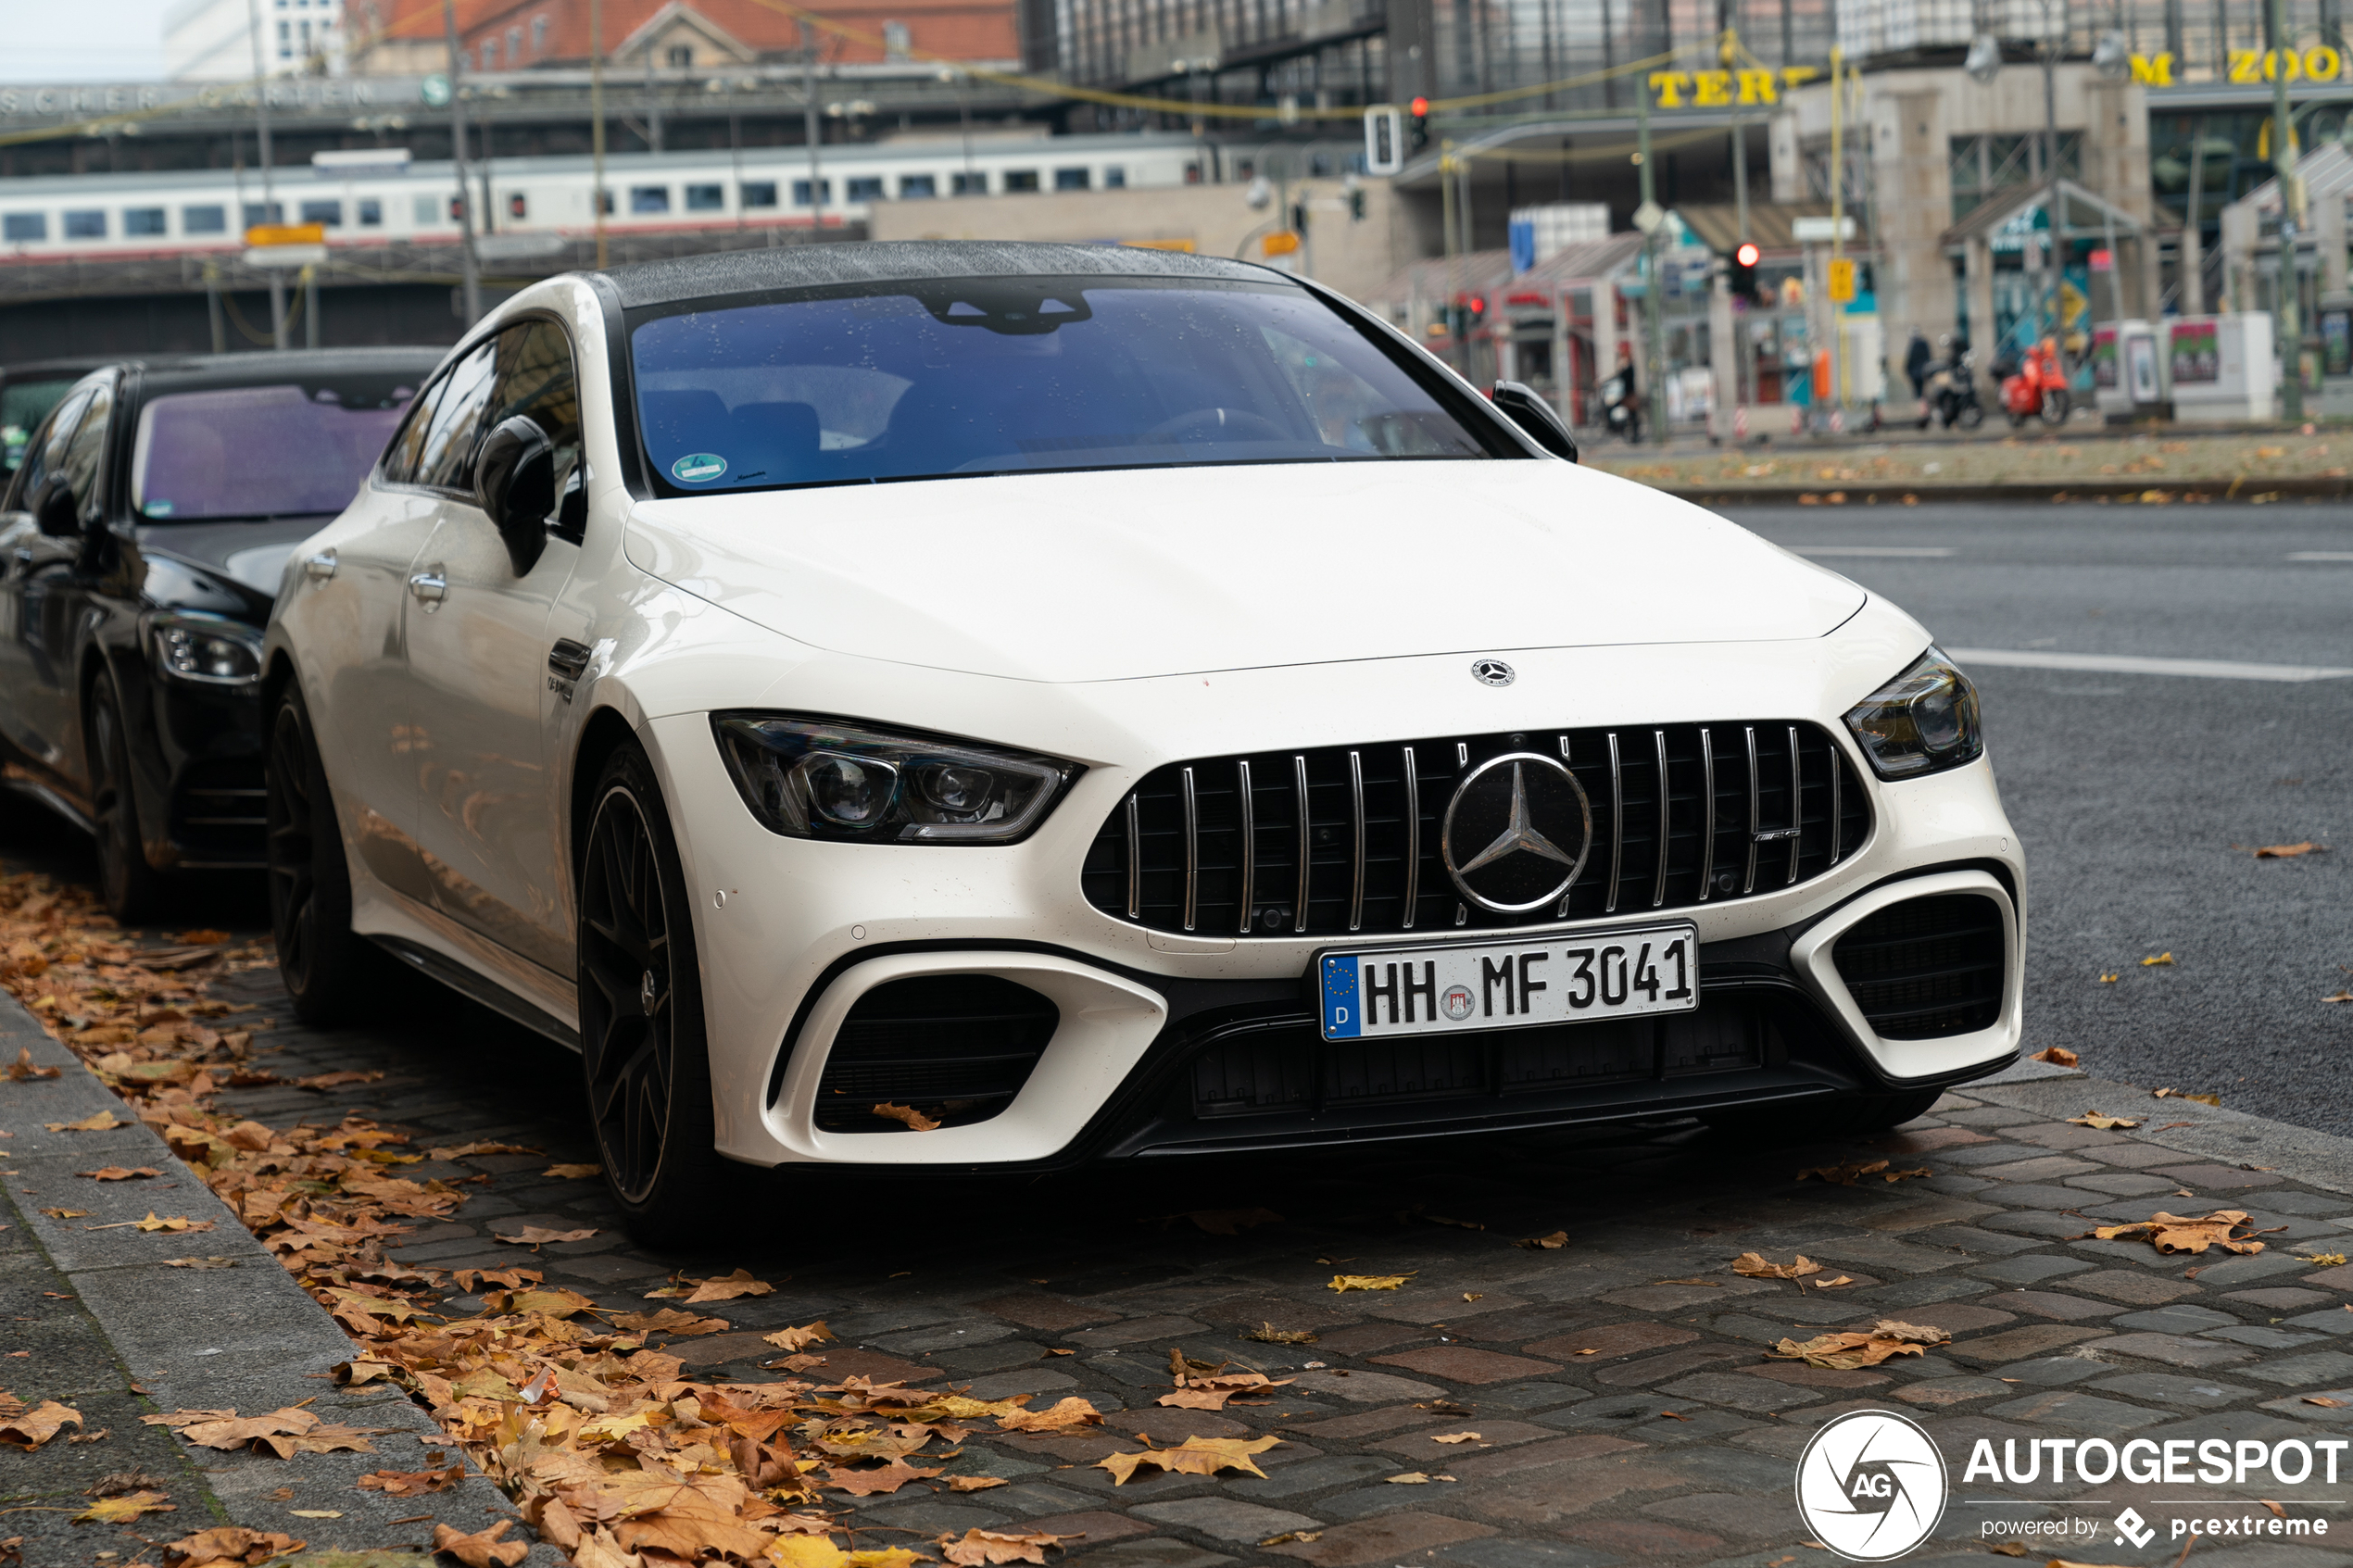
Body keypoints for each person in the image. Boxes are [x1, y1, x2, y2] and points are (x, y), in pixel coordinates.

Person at [1905, 327, 1933, 400]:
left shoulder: (1918, 344)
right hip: (1919, 371)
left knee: (1919, 392)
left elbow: (1911, 359)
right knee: (1919, 392)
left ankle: (1922, 405)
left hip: (1918, 371)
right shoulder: (1920, 344)